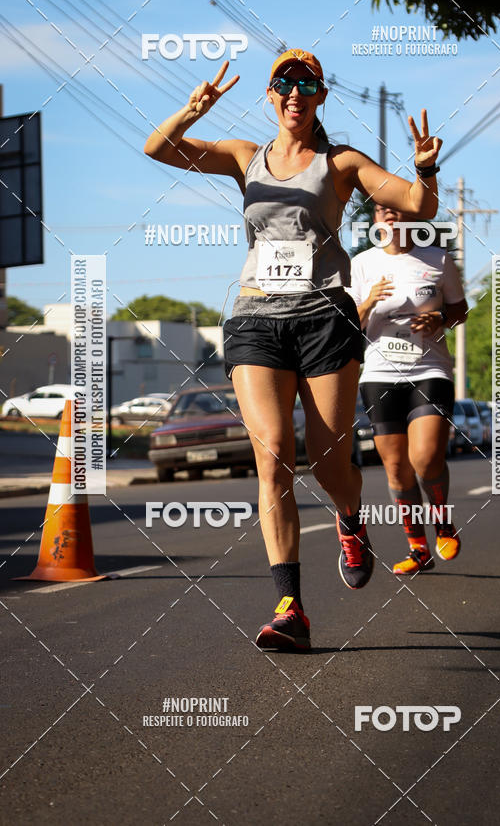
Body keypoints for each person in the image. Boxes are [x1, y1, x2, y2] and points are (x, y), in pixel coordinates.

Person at [144, 49, 442, 649]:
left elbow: (418, 206)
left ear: (320, 96)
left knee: (329, 463)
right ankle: (290, 607)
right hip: (255, 316)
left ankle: (351, 520)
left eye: (307, 85)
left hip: (324, 316)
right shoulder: (244, 156)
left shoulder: (342, 162)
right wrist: (193, 110)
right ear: (271, 94)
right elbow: (159, 148)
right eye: (284, 83)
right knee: (274, 451)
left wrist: (425, 169)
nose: (294, 94)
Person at [349, 206, 467, 574]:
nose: (389, 216)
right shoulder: (362, 264)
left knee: (426, 458)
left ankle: (443, 523)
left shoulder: (437, 259)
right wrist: (369, 301)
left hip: (429, 369)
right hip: (380, 374)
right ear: (375, 221)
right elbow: (348, 323)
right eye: (381, 211)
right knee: (397, 467)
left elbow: (460, 310)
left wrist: (440, 318)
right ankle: (418, 548)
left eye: (396, 210)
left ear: (412, 218)